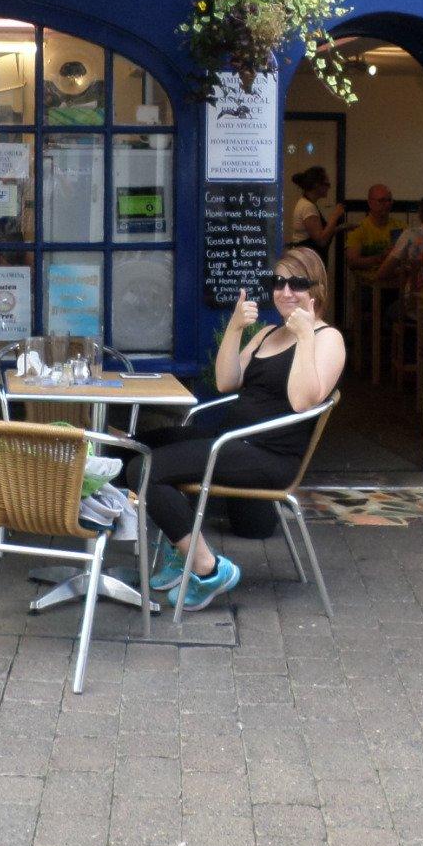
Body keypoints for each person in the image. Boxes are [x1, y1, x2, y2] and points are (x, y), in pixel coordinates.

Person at [135, 247, 347, 610]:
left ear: (317, 290)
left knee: (145, 469)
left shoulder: (329, 339)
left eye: (297, 283)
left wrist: (306, 336)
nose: (285, 291)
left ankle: (207, 567)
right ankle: (182, 548)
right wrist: (235, 327)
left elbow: (301, 401)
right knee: (134, 448)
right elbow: (225, 382)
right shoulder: (267, 333)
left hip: (267, 455)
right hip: (231, 442)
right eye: (278, 282)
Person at [344, 184, 403, 275]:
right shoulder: (359, 229)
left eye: (389, 200)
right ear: (370, 203)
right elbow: (353, 262)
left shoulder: (400, 227)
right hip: (369, 284)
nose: (387, 204)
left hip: (398, 282)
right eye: (381, 201)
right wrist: (380, 258)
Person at [288, 167, 345, 254]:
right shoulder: (307, 207)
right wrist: (335, 216)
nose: (329, 187)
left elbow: (320, 233)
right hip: (307, 259)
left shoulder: (307, 204)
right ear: (316, 185)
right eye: (327, 184)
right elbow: (321, 240)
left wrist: (341, 228)